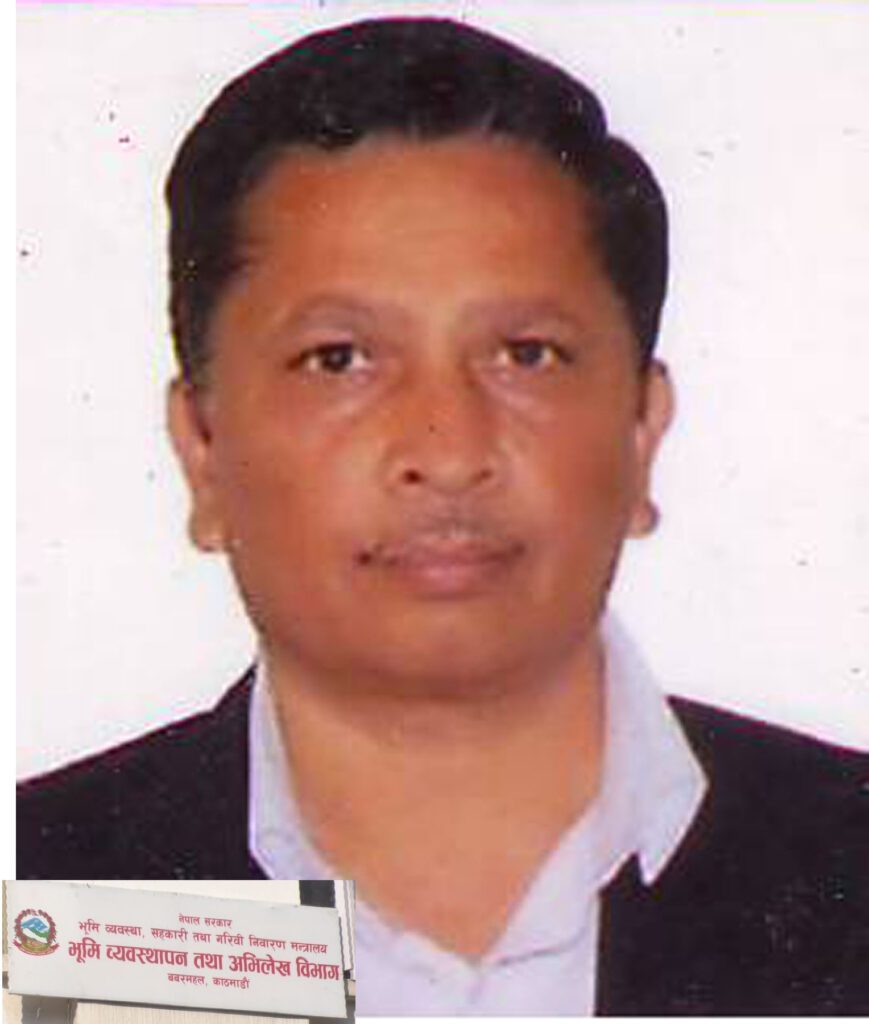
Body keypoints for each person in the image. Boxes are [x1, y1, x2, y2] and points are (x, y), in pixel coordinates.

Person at [17, 16, 867, 1015]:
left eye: (525, 355)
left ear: (640, 431)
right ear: (202, 449)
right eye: (338, 359)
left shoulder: (840, 865)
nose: (449, 449)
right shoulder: (50, 906)